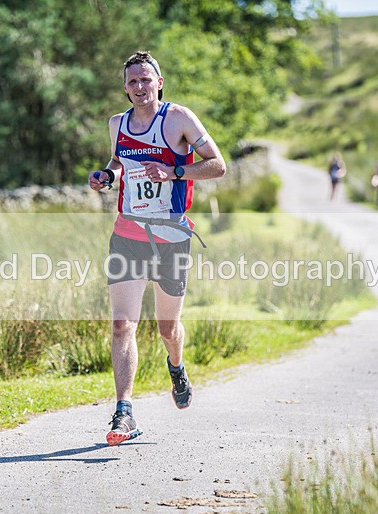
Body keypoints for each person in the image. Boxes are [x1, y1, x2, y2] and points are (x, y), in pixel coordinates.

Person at [88, 51, 226, 446]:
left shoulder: (179, 118)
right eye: (132, 82)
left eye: (146, 80)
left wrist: (174, 170)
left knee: (167, 328)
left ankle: (177, 367)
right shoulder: (118, 124)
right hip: (128, 235)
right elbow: (118, 162)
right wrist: (107, 176)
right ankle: (124, 411)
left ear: (159, 82)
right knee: (121, 324)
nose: (139, 87)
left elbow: (217, 165)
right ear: (125, 87)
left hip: (171, 238)